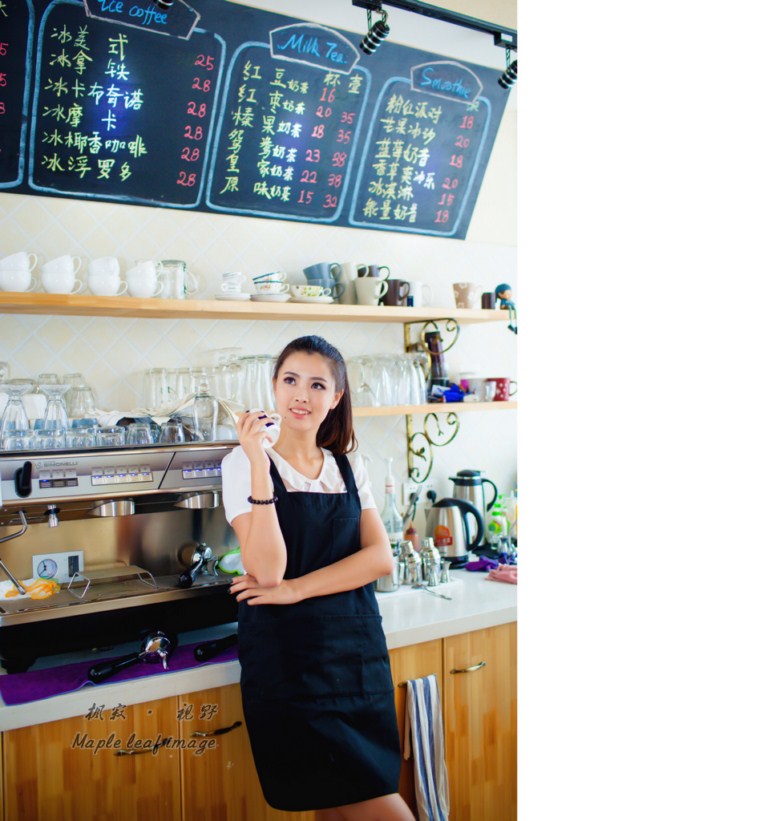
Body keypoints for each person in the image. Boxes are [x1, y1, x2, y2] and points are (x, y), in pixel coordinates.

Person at [221, 335, 414, 821]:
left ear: (336, 397)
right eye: (290, 380)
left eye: (317, 385)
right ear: (274, 386)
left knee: (339, 808)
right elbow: (267, 572)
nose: (301, 395)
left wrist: (297, 589)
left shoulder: (348, 466)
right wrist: (259, 463)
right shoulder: (242, 464)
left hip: (356, 659)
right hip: (289, 665)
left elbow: (380, 559)